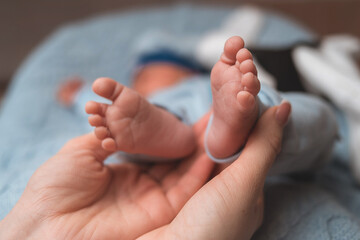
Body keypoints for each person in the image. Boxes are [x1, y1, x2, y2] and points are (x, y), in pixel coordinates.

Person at [0, 101, 290, 240]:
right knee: (127, 131)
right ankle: (174, 130)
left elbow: (97, 109)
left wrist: (78, 96)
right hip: (172, 124)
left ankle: (173, 130)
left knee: (122, 130)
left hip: (172, 123)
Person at [82, 36, 338, 175]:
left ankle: (246, 120)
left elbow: (93, 106)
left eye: (149, 73)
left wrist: (78, 95)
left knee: (309, 114)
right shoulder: (142, 105)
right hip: (168, 116)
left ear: (186, 72)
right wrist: (84, 98)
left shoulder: (208, 81)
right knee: (317, 119)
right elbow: (101, 111)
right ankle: (250, 122)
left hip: (205, 107)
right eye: (139, 79)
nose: (142, 80)